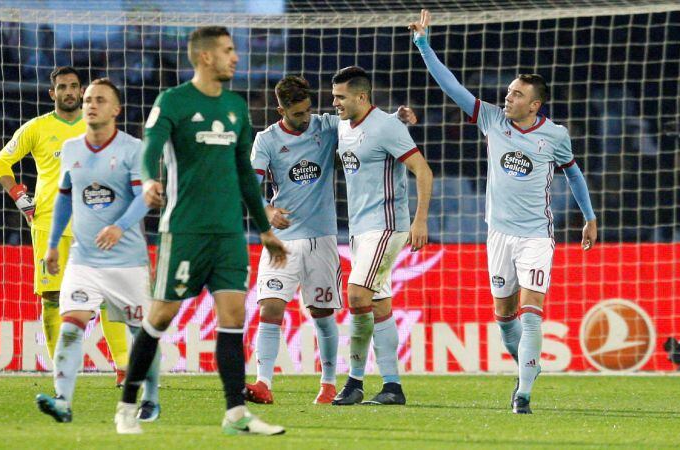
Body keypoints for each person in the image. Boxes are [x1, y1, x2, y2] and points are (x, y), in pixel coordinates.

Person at [409, 10, 598, 414]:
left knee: (531, 315)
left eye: (516, 94)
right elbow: (453, 88)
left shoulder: (556, 135)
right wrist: (424, 46)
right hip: (498, 235)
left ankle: (523, 394)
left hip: (536, 237)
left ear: (535, 104)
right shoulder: (492, 120)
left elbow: (574, 176)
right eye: (509, 92)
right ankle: (527, 367)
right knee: (505, 318)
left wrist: (589, 216)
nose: (507, 97)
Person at [113, 26, 288, 436]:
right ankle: (125, 407)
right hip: (186, 230)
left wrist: (263, 229)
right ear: (206, 57)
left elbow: (245, 173)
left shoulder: (235, 107)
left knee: (233, 316)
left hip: (228, 233)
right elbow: (150, 148)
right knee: (160, 316)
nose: (236, 57)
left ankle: (235, 415)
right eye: (229, 51)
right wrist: (150, 180)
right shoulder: (173, 101)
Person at [246, 75, 418, 405]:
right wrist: (266, 210)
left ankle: (327, 383)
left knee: (322, 313)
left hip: (323, 238)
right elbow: (250, 187)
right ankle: (263, 382)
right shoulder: (266, 140)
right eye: (297, 114)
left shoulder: (325, 126)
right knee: (269, 307)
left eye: (308, 110)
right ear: (279, 109)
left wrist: (398, 118)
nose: (305, 118)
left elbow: (366, 121)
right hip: (282, 240)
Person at [0, 67, 131, 384]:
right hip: (48, 225)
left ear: (81, 91)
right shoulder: (37, 128)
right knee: (54, 298)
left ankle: (123, 365)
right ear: (51, 93)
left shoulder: (98, 125)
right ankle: (62, 368)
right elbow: (2, 162)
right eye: (62, 87)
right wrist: (18, 195)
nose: (69, 92)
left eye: (74, 86)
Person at [35, 79, 161, 423]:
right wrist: (52, 245)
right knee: (72, 325)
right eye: (88, 99)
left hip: (127, 262)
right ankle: (63, 400)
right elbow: (64, 196)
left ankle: (151, 398)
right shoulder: (72, 148)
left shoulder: (134, 149)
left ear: (116, 109)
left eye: (100, 100)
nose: (91, 105)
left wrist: (120, 226)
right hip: (83, 259)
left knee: (141, 334)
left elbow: (144, 197)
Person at [330, 66, 433, 406]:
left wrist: (420, 221)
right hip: (360, 229)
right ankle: (392, 386)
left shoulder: (387, 126)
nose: (335, 103)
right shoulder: (343, 126)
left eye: (341, 97)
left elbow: (422, 169)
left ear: (362, 96)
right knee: (378, 304)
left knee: (357, 296)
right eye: (333, 96)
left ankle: (354, 381)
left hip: (388, 224)